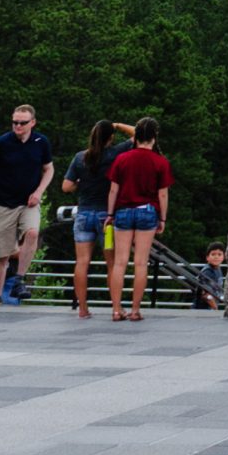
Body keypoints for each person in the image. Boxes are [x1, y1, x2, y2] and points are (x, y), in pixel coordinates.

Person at [0, 104, 54, 306]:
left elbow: (49, 169)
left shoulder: (40, 142)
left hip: (28, 202)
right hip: (3, 204)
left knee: (33, 233)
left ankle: (19, 279)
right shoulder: (3, 143)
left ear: (32, 123)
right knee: (2, 255)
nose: (18, 126)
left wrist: (39, 192)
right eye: (15, 122)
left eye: (22, 123)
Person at [59, 118, 134, 319]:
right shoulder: (115, 153)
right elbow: (139, 134)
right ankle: (116, 308)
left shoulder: (80, 157)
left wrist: (81, 184)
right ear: (111, 137)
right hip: (106, 218)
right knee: (112, 263)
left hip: (83, 214)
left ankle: (83, 308)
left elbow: (66, 186)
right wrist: (118, 125)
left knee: (82, 262)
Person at [103, 119, 172, 322]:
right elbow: (163, 195)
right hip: (147, 211)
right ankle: (135, 310)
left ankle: (116, 309)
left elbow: (113, 189)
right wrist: (163, 218)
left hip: (123, 211)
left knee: (119, 263)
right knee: (140, 263)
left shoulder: (122, 159)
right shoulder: (160, 162)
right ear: (154, 137)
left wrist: (110, 214)